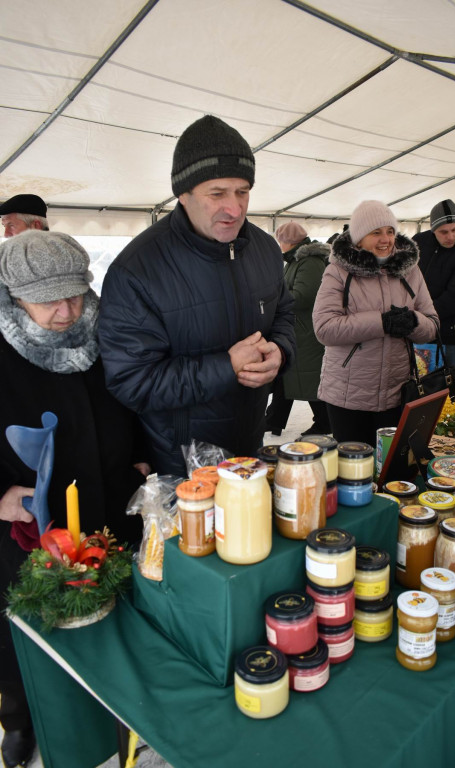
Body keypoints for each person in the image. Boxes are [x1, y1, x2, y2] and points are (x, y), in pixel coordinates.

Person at [0, 231, 149, 768]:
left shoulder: (105, 331)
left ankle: (116, 703)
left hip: (109, 501)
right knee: (26, 625)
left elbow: (131, 398)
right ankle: (21, 717)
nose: (66, 311)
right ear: (14, 297)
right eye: (48, 301)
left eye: (75, 295)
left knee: (113, 609)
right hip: (32, 522)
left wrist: (140, 453)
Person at [98, 115, 295, 474]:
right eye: (217, 194)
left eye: (242, 192)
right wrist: (226, 367)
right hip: (181, 466)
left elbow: (285, 312)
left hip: (250, 449)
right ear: (183, 194)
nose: (234, 209)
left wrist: (281, 351)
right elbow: (132, 382)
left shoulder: (266, 249)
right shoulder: (137, 269)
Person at [313, 200, 439, 446]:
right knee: (352, 470)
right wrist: (381, 322)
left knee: (390, 469)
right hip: (347, 396)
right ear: (359, 238)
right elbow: (325, 328)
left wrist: (413, 321)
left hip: (396, 392)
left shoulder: (410, 271)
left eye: (390, 231)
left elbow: (432, 324)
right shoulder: (338, 271)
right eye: (376, 232)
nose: (386, 239)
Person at [265, 221, 331, 437]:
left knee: (310, 380)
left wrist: (273, 297)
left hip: (307, 332)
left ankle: (324, 422)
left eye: (280, 241)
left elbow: (303, 296)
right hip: (295, 329)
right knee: (287, 376)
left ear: (288, 241)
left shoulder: (309, 262)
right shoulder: (295, 260)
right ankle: (273, 419)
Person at [413, 200, 455, 400]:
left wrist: (424, 317)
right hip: (420, 332)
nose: (451, 236)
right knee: (423, 383)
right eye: (444, 231)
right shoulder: (419, 242)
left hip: (450, 331)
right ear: (433, 229)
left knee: (453, 384)